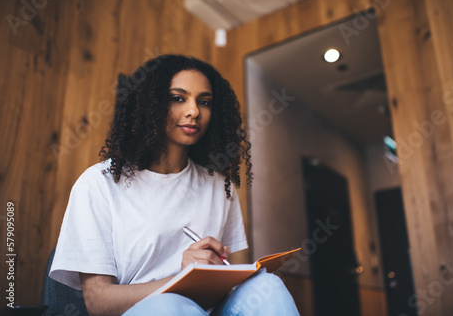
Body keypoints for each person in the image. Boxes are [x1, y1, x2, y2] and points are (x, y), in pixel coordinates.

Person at [49, 54, 300, 315]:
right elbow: (98, 302)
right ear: (150, 104)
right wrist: (183, 280)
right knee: (172, 306)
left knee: (267, 285)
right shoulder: (98, 184)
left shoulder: (220, 187)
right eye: (178, 98)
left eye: (204, 102)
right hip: (147, 310)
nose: (194, 111)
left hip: (209, 309)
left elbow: (231, 274)